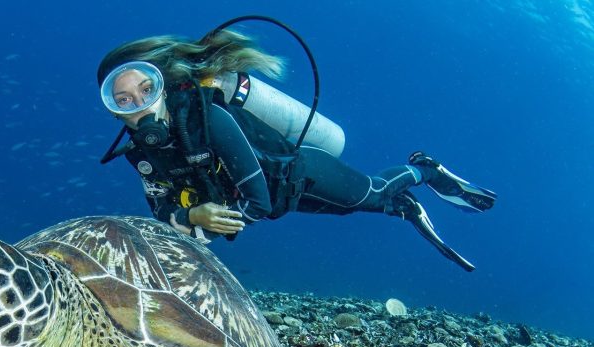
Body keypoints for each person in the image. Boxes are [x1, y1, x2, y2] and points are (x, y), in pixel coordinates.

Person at [96, 31, 496, 271]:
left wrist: (202, 227)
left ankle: (424, 171)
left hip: (301, 174)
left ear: (163, 83)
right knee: (348, 209)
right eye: (123, 99)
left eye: (146, 88)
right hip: (283, 200)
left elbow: (258, 202)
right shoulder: (143, 154)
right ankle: (404, 207)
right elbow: (160, 209)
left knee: (371, 193)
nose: (139, 103)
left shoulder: (209, 119)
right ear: (114, 111)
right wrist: (191, 215)